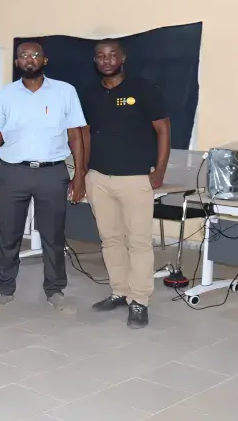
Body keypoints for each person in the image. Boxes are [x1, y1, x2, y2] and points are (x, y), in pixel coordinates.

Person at [0, 41, 87, 314]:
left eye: (35, 55)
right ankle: (4, 289)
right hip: (13, 173)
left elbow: (76, 134)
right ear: (17, 63)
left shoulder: (65, 92)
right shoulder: (5, 95)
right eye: (23, 56)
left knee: (53, 236)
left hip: (53, 173)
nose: (29, 59)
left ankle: (55, 290)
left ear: (45, 60)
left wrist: (80, 176)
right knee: (8, 235)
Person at [81, 39, 170, 329]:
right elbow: (84, 136)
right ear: (95, 61)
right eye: (100, 56)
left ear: (123, 58)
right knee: (111, 239)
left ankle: (140, 300)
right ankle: (119, 291)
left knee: (139, 241)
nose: (106, 60)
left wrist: (159, 171)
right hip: (99, 178)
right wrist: (83, 173)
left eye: (112, 55)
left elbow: (163, 130)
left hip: (135, 178)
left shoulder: (144, 89)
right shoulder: (90, 94)